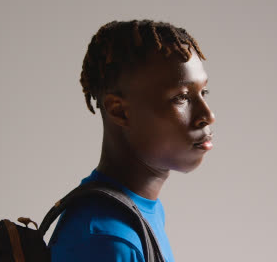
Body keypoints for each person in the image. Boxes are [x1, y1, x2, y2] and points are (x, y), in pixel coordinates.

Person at [49, 19, 215, 262]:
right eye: (181, 97)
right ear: (120, 111)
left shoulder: (142, 212)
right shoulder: (107, 241)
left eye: (203, 93)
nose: (207, 115)